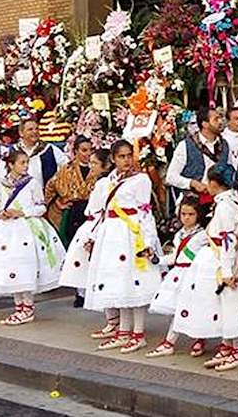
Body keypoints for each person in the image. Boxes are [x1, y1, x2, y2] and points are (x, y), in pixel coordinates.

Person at [85, 141, 162, 354]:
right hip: (111, 236)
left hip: (131, 234)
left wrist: (148, 241)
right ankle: (123, 331)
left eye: (129, 156)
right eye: (121, 157)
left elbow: (145, 212)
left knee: (135, 282)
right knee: (120, 283)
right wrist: (92, 235)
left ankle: (138, 333)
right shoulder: (108, 180)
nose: (127, 160)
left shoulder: (141, 180)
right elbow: (101, 211)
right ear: (113, 158)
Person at [0, 150, 66, 325]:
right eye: (22, 163)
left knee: (24, 267)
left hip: (26, 229)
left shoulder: (32, 183)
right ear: (10, 165)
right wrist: (0, 213)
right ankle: (18, 306)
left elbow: (41, 207)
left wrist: (23, 212)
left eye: (27, 162)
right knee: (10, 266)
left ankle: (27, 307)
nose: (26, 166)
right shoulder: (1, 184)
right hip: (6, 230)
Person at [186, 166, 238, 373]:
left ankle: (237, 351)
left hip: (225, 261)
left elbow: (228, 240)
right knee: (224, 307)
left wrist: (228, 270)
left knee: (232, 306)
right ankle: (228, 346)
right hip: (221, 258)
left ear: (214, 183)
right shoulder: (227, 203)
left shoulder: (226, 207)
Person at [146, 199, 211, 358]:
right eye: (183, 214)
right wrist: (156, 259)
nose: (186, 217)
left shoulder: (202, 235)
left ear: (198, 215)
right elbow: (175, 257)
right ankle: (174, 341)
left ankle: (194, 339)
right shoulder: (179, 234)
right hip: (178, 275)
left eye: (191, 214)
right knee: (180, 309)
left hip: (193, 275)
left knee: (194, 308)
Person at [59, 149, 117, 326]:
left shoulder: (104, 183)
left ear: (105, 165)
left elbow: (100, 209)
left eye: (94, 163)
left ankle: (113, 319)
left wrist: (93, 234)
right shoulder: (101, 182)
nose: (90, 166)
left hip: (98, 225)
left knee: (101, 272)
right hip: (93, 223)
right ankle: (111, 318)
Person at [166, 107, 234, 205]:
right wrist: (192, 183)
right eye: (216, 119)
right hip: (193, 200)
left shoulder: (225, 145)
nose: (220, 122)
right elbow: (171, 177)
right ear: (204, 124)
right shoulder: (185, 145)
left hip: (220, 198)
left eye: (220, 118)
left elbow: (229, 170)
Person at [44, 137, 98, 244]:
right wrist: (57, 204)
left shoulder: (98, 169)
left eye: (90, 150)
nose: (88, 154)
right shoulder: (66, 169)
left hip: (91, 213)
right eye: (84, 150)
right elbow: (50, 187)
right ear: (75, 151)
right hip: (71, 213)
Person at [0, 119, 69, 189]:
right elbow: (0, 177)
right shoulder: (11, 151)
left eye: (36, 129)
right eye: (30, 129)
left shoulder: (50, 149)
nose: (35, 131)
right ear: (21, 133)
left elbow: (67, 167)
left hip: (45, 198)